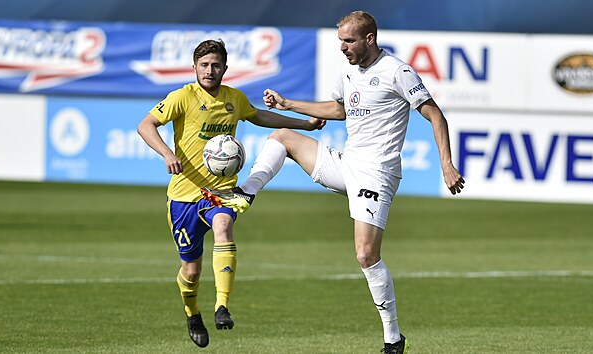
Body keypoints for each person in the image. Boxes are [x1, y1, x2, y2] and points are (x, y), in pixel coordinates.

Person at [201, 11, 465, 354]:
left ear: (369, 39)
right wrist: (289, 104)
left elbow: (435, 114)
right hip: (347, 163)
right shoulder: (348, 71)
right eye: (341, 40)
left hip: (377, 172)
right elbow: (340, 109)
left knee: (366, 255)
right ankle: (245, 192)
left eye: (349, 40)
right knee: (283, 136)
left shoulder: (397, 71)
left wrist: (446, 164)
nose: (343, 47)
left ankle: (392, 338)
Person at [137, 39, 325, 348]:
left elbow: (260, 117)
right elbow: (146, 125)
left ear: (225, 68)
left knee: (224, 227)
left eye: (215, 65)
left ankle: (222, 305)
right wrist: (167, 154)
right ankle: (192, 312)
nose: (210, 71)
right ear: (194, 67)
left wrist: (304, 124)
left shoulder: (233, 99)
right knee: (192, 270)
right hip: (184, 196)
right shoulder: (182, 97)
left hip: (220, 192)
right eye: (204, 65)